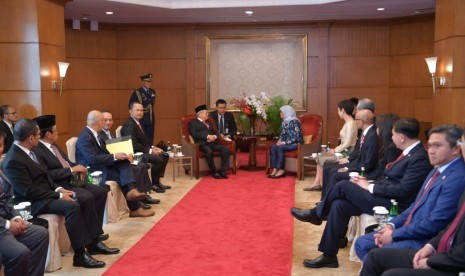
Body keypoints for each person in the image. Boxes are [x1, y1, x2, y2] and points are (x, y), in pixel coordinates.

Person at [290, 118, 432, 269]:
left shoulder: (418, 158)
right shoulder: (408, 153)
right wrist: (369, 183)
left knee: (344, 185)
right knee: (339, 205)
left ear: (402, 137)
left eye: (393, 135)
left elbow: (403, 190)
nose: (391, 138)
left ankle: (317, 214)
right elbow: (389, 179)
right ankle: (329, 256)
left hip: (393, 204)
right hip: (383, 195)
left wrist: (369, 187)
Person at [2, 119, 119, 269]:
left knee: (84, 198)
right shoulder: (13, 159)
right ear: (30, 138)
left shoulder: (29, 150)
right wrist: (57, 196)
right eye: (38, 135)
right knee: (72, 206)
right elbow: (28, 191)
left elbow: (46, 176)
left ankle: (93, 242)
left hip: (46, 193)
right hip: (32, 202)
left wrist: (58, 189)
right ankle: (80, 254)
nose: (40, 137)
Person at [360, 131, 465, 276]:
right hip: (425, 238)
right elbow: (416, 205)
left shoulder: (458, 177)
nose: (431, 151)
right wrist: (392, 226)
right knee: (364, 245)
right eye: (429, 146)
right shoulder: (436, 171)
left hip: (425, 239)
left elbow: (436, 222)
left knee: (380, 262)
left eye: (437, 146)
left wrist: (395, 235)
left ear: (456, 149)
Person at [31, 115, 110, 239]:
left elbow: (66, 162)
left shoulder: (54, 145)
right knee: (86, 197)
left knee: (101, 191)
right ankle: (91, 239)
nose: (58, 132)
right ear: (47, 134)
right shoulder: (37, 151)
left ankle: (94, 231)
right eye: (56, 130)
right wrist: (72, 169)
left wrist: (78, 167)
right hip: (61, 185)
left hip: (73, 181)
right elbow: (49, 174)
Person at [76, 110, 154, 217]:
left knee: (124, 162)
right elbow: (92, 159)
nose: (105, 123)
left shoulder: (94, 134)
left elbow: (105, 153)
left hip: (102, 166)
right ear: (99, 122)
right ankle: (135, 206)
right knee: (125, 178)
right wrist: (114, 156)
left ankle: (132, 194)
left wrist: (121, 156)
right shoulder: (85, 137)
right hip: (94, 171)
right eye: (103, 120)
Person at [0, 130, 49, 276]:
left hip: (6, 220)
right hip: (1, 227)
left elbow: (6, 200)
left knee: (40, 234)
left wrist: (16, 218)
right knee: (20, 253)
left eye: (0, 145)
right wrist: (8, 225)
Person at [98, 110, 160, 207]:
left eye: (110, 120)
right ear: (100, 121)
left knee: (142, 166)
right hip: (111, 164)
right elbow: (106, 154)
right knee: (136, 168)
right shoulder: (99, 135)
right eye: (105, 120)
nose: (108, 122)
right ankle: (138, 201)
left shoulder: (109, 133)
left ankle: (143, 195)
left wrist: (127, 155)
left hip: (119, 159)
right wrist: (124, 157)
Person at [320, 109, 379, 198]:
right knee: (327, 168)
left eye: (356, 119)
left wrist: (348, 168)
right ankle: (324, 200)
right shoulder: (365, 132)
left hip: (363, 169)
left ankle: (329, 202)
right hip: (357, 163)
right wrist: (348, 159)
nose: (354, 122)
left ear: (361, 121)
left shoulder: (372, 136)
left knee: (334, 172)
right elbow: (357, 151)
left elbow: (368, 163)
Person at [304, 99, 357, 191]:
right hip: (344, 151)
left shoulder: (351, 124)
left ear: (343, 110)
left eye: (338, 110)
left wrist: (335, 150)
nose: (338, 113)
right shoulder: (348, 123)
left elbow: (347, 143)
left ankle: (321, 185)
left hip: (348, 153)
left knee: (322, 158)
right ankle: (318, 183)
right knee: (321, 157)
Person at [121, 102, 170, 193]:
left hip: (142, 151)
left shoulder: (138, 122)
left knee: (165, 155)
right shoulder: (129, 125)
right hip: (134, 154)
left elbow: (145, 141)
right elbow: (134, 145)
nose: (140, 112)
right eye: (137, 110)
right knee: (158, 159)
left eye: (141, 110)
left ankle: (156, 182)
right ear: (130, 111)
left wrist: (153, 147)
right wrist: (150, 151)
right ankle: (154, 184)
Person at [189, 104, 230, 179]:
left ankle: (222, 170)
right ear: (200, 114)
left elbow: (216, 132)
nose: (208, 114)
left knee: (226, 149)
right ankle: (214, 171)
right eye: (206, 113)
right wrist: (207, 136)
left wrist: (214, 136)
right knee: (208, 151)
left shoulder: (209, 122)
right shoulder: (193, 123)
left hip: (212, 143)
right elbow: (194, 134)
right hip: (202, 144)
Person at [267, 105, 303, 179]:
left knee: (280, 148)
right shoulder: (284, 122)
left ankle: (281, 170)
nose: (280, 114)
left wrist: (284, 143)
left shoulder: (295, 122)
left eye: (281, 112)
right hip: (285, 143)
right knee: (273, 146)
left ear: (287, 113)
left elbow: (297, 137)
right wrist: (279, 141)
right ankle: (275, 169)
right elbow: (282, 134)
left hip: (296, 144)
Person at [128, 73, 156, 143]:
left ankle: (150, 152)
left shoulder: (152, 92)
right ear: (143, 82)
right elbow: (131, 106)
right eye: (147, 81)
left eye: (150, 81)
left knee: (150, 138)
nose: (149, 83)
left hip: (150, 119)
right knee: (142, 139)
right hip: (141, 119)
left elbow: (151, 105)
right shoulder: (137, 93)